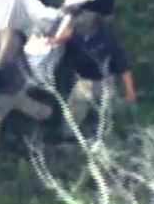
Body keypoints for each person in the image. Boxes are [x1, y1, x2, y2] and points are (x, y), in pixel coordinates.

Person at [0, 29, 52, 149]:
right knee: (23, 102)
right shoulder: (9, 37)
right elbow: (22, 36)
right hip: (22, 79)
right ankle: (49, 115)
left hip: (5, 93)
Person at [58, 12, 136, 140]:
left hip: (104, 80)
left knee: (110, 110)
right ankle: (67, 138)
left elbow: (123, 65)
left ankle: (107, 134)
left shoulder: (107, 40)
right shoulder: (77, 31)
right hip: (83, 79)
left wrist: (130, 91)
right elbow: (66, 35)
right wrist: (58, 39)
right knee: (74, 111)